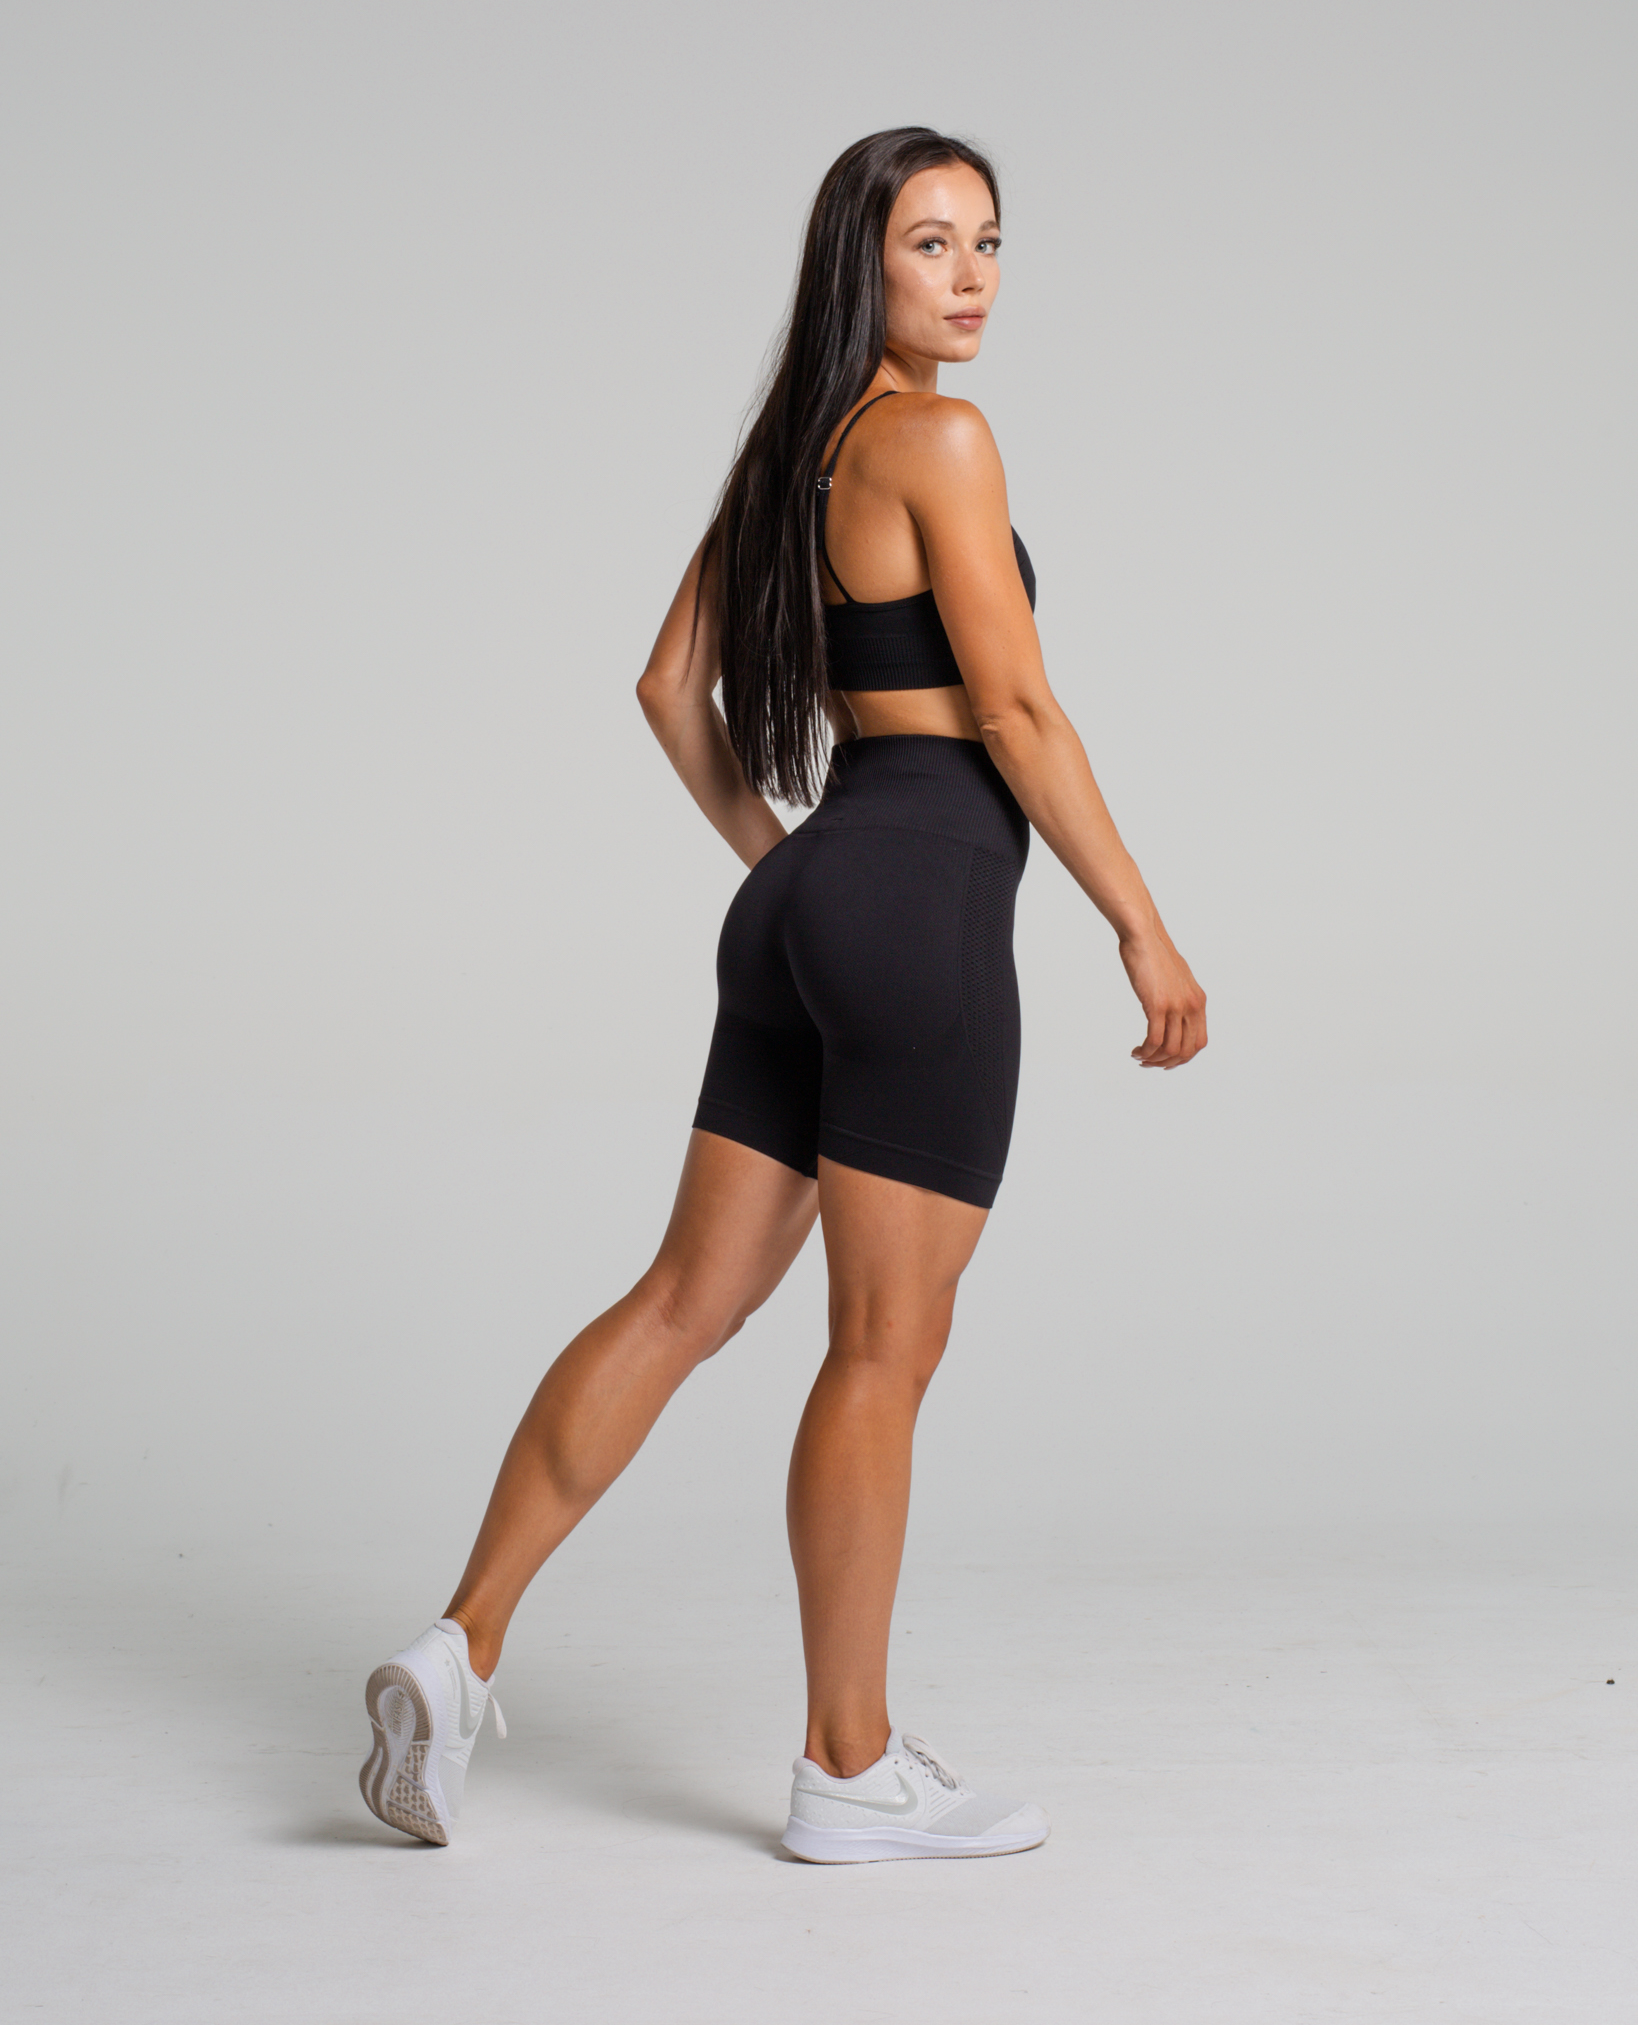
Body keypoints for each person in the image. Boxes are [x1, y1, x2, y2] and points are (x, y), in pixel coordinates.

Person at [358, 126, 1206, 1864]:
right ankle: (847, 1767)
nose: (970, 276)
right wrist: (1141, 923)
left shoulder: (786, 460)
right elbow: (1016, 714)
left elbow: (667, 684)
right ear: (859, 262)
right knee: (883, 1346)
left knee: (682, 1300)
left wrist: (785, 866)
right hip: (919, 900)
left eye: (988, 241)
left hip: (812, 890)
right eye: (929, 243)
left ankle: (459, 1645)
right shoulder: (940, 441)